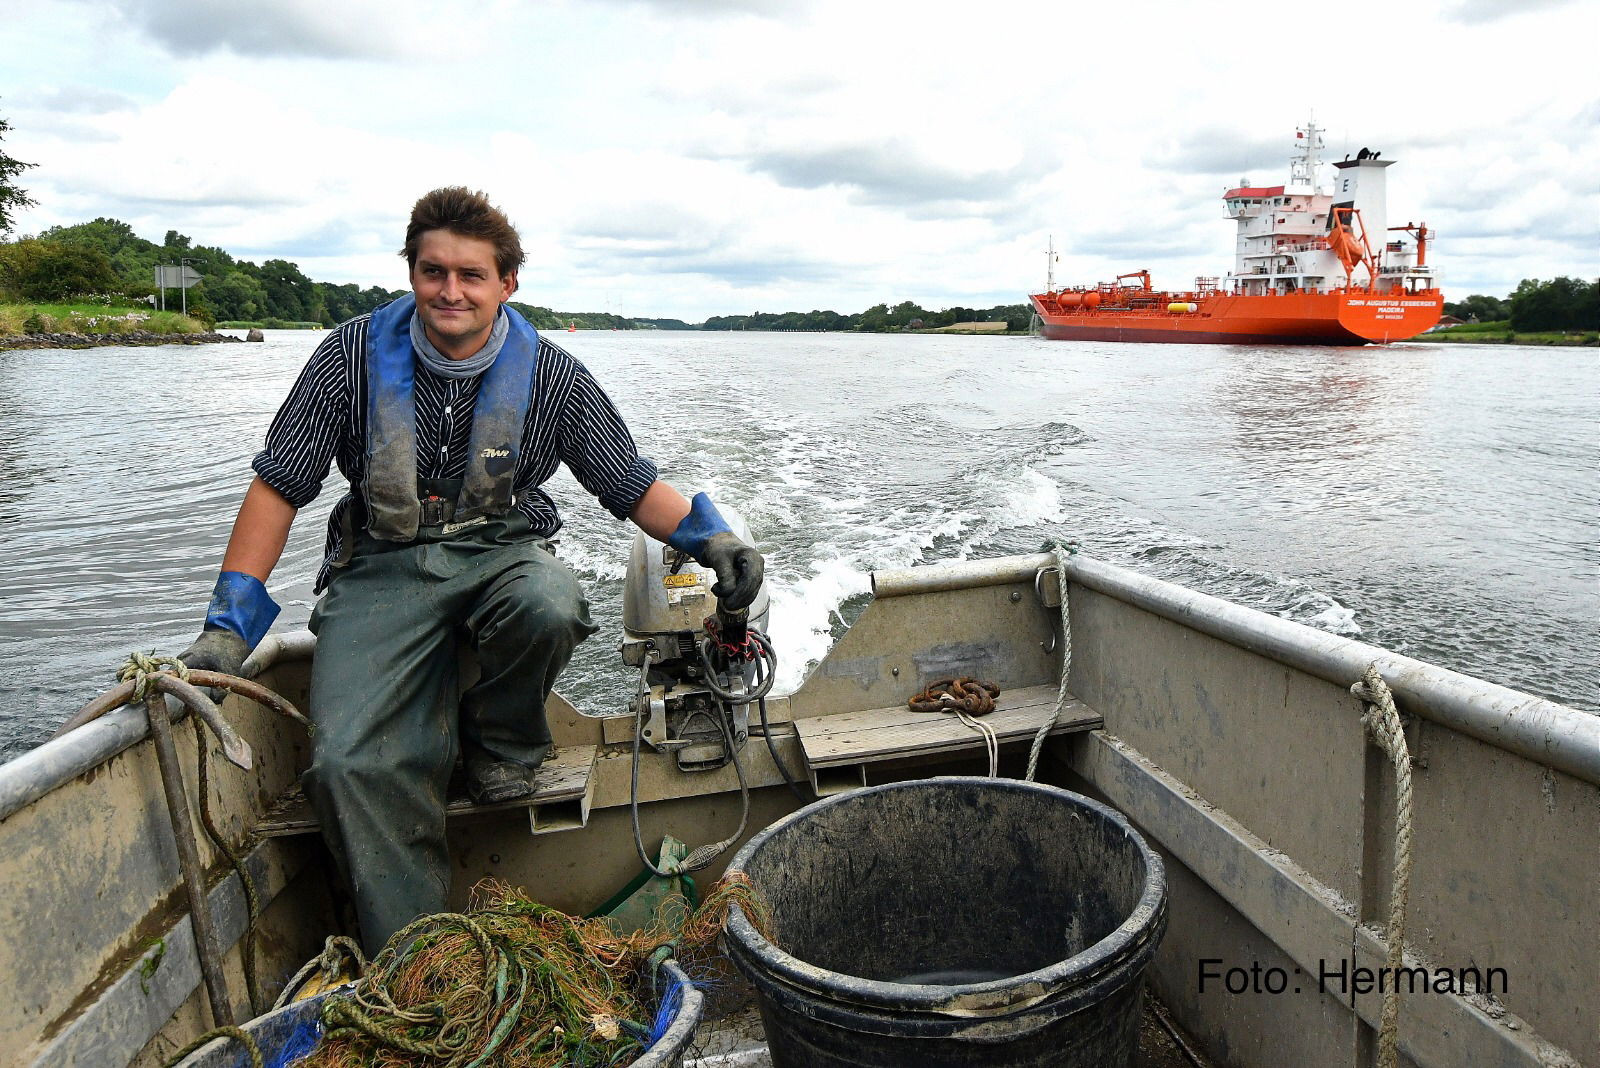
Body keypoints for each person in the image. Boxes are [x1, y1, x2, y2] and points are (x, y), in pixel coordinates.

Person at [177, 187, 764, 951]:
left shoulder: (554, 377)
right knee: (348, 767)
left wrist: (708, 540)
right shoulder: (346, 357)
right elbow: (280, 483)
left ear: (507, 284)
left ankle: (502, 748)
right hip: (381, 566)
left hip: (499, 556)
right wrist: (227, 627)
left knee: (552, 600)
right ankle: (418, 960)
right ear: (411, 273)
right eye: (432, 271)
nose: (449, 291)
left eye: (471, 275)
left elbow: (626, 482)